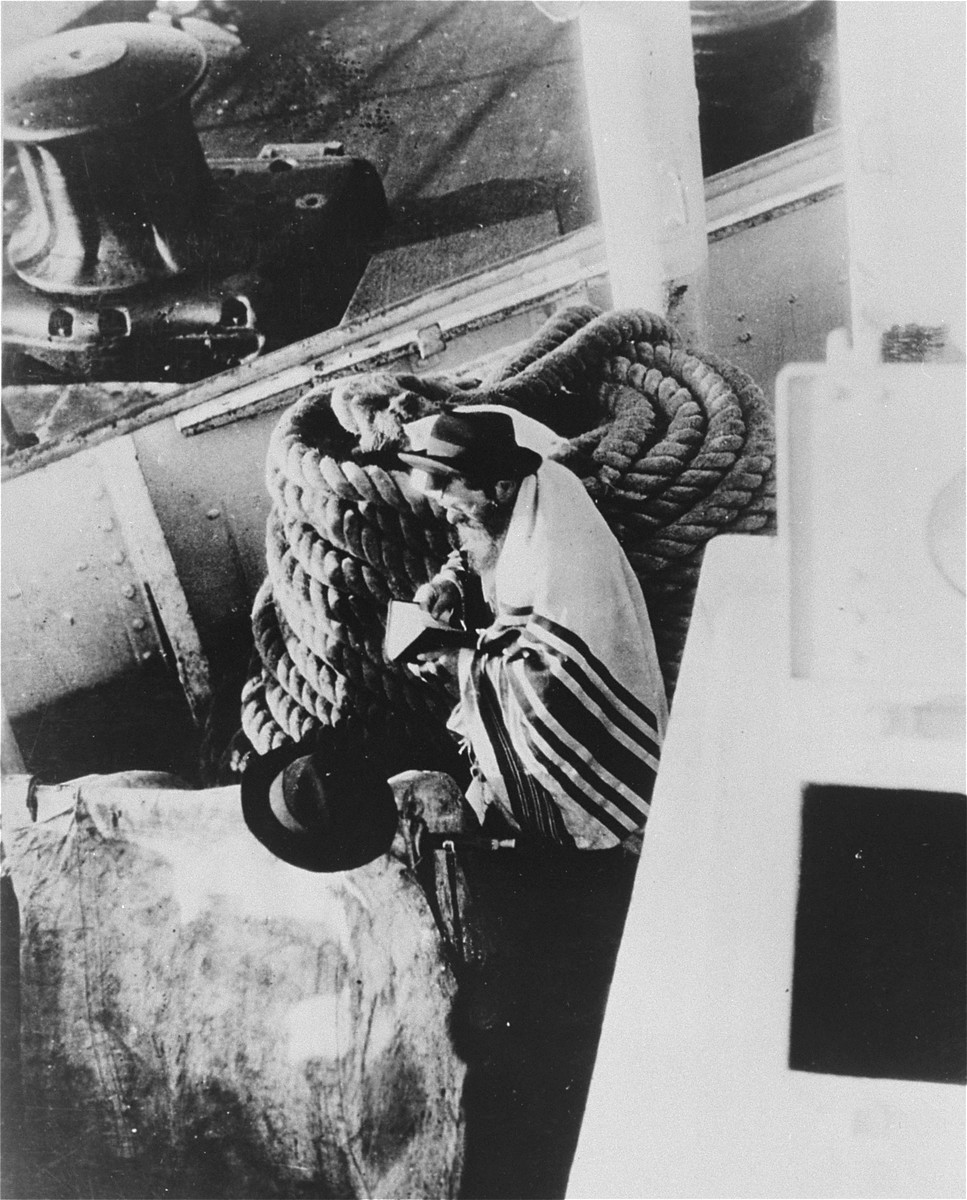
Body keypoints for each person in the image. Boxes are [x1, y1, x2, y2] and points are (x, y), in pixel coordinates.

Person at [398, 405, 668, 855]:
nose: (448, 518)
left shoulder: (563, 549)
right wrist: (450, 583)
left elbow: (556, 682)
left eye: (457, 504)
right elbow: (479, 546)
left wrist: (460, 666)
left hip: (605, 771)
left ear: (501, 487)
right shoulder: (519, 497)